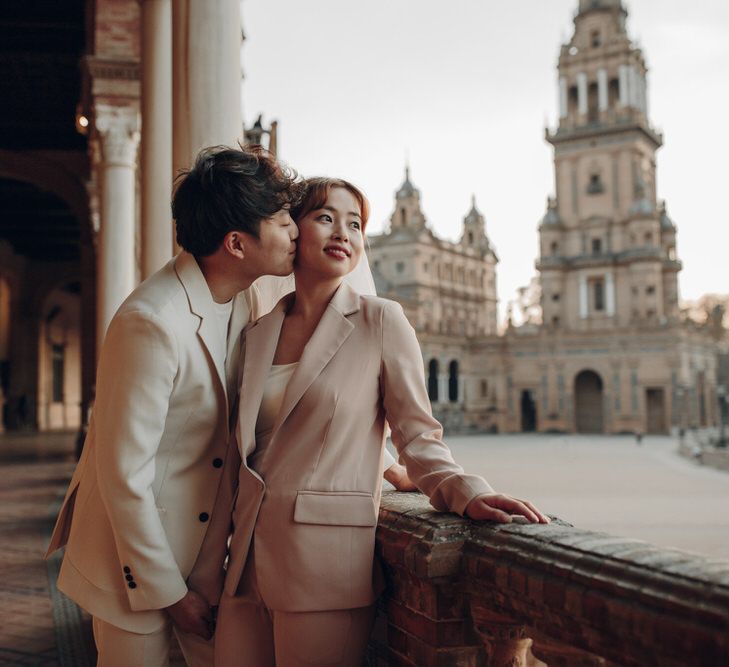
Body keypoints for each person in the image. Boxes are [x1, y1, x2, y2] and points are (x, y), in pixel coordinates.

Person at [188, 177, 549, 667]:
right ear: (293, 231)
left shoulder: (381, 321)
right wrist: (206, 576)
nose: (344, 233)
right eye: (325, 218)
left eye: (355, 224)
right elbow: (236, 461)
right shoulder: (257, 332)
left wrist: (467, 492)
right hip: (245, 569)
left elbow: (418, 434)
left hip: (325, 568)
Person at [45, 145, 303, 667]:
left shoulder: (243, 296)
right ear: (236, 243)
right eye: (281, 219)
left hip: (205, 561)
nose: (296, 230)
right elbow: (123, 473)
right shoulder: (152, 322)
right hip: (132, 565)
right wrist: (171, 593)